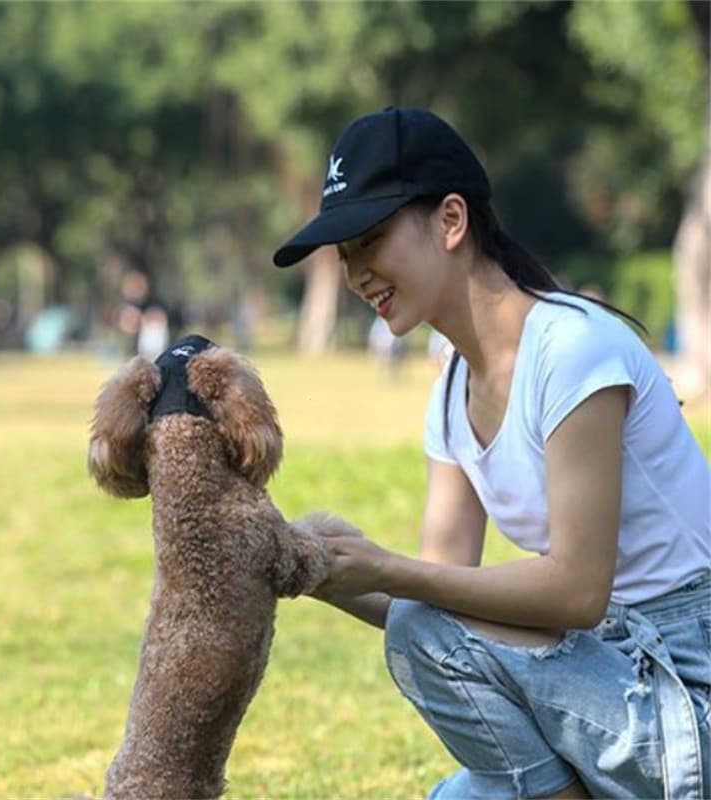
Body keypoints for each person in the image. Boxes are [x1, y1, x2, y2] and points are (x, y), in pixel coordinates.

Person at [273, 107, 710, 800]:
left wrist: (391, 568)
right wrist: (316, 570)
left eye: (371, 240)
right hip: (610, 685)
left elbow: (577, 589)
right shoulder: (452, 395)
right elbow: (441, 601)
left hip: (687, 692)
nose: (357, 274)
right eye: (344, 255)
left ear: (452, 221)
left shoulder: (571, 349)